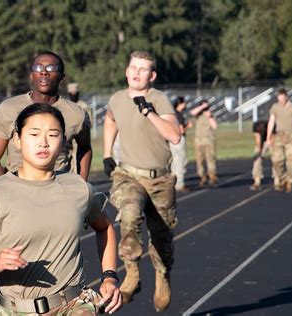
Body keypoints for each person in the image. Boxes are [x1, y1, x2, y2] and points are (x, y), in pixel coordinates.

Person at [0, 103, 122, 315]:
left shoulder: (79, 188)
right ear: (17, 139)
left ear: (62, 142)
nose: (43, 142)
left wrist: (109, 276)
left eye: (53, 135)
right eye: (34, 134)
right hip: (17, 310)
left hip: (74, 305)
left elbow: (105, 227)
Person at [102, 51, 180, 312]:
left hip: (159, 179)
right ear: (127, 71)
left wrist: (149, 113)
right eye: (133, 68)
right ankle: (132, 274)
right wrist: (106, 153)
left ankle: (162, 275)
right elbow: (110, 120)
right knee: (128, 215)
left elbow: (175, 135)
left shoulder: (160, 100)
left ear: (152, 75)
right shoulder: (116, 99)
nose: (137, 72)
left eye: (143, 69)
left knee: (161, 236)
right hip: (128, 175)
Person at [0, 51, 92, 181]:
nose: (44, 72)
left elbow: (85, 148)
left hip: (58, 190)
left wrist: (81, 184)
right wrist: (5, 190)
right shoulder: (9, 108)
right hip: (18, 188)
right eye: (38, 67)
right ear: (31, 75)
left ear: (61, 77)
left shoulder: (76, 114)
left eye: (51, 68)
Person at [267, 88, 292, 193]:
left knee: (291, 159)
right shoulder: (275, 107)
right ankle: (283, 178)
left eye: (282, 98)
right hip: (278, 136)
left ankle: (290, 180)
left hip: (291, 136)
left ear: (286, 97)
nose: (280, 100)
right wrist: (268, 137)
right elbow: (271, 122)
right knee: (277, 160)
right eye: (279, 98)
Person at [190, 100, 218, 186]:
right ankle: (202, 177)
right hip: (199, 140)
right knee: (199, 160)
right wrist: (202, 107)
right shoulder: (197, 115)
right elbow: (192, 112)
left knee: (210, 159)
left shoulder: (210, 115)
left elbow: (215, 126)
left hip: (209, 140)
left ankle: (212, 176)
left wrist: (209, 117)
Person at [169, 96, 191, 192]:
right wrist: (188, 126)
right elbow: (181, 130)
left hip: (171, 139)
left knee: (174, 161)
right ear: (180, 104)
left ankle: (174, 182)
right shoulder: (179, 115)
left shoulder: (172, 113)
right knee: (181, 161)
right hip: (179, 139)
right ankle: (179, 184)